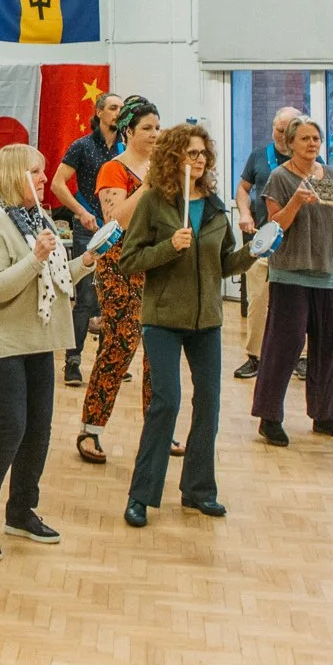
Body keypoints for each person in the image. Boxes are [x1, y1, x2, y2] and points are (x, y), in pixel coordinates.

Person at [0, 145, 94, 560]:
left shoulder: (38, 216)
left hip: (35, 335)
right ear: (13, 174)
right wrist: (35, 259)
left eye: (42, 171)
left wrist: (87, 261)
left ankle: (20, 511)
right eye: (35, 171)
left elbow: (56, 277)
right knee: (8, 428)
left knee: (38, 428)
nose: (43, 179)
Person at [116, 125, 255, 526]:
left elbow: (223, 264)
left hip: (207, 321)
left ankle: (199, 490)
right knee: (167, 402)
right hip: (162, 319)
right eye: (191, 153)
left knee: (209, 404)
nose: (199, 160)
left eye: (203, 154)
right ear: (173, 158)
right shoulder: (154, 203)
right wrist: (168, 247)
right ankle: (141, 495)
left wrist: (254, 252)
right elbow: (129, 261)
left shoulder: (213, 206)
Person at [252, 118, 333, 445]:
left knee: (330, 346)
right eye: (305, 139)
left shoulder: (332, 176)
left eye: (316, 139)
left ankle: (326, 415)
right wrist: (296, 200)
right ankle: (269, 417)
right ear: (291, 143)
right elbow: (275, 226)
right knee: (285, 344)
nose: (312, 144)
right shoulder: (279, 178)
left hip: (328, 274)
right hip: (290, 273)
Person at [76, 97, 161, 465]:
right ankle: (90, 429)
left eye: (158, 128)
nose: (155, 134)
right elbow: (116, 220)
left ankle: (158, 430)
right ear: (128, 131)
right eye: (147, 128)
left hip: (159, 264)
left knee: (159, 351)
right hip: (121, 265)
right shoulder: (114, 169)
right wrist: (149, 184)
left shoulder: (164, 167)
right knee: (119, 346)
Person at [52, 92, 122, 388]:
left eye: (121, 108)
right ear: (99, 112)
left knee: (114, 296)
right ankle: (73, 360)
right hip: (88, 228)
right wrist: (81, 212)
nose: (118, 113)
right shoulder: (82, 146)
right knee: (86, 298)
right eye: (113, 107)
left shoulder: (126, 148)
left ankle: (109, 361)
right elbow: (57, 184)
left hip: (119, 229)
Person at [231, 106, 301, 381]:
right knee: (258, 301)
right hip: (262, 240)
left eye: (286, 131)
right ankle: (255, 356)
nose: (281, 136)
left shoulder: (307, 159)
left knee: (297, 303)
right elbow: (243, 189)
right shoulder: (259, 156)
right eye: (277, 130)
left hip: (295, 244)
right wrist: (244, 213)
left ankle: (300, 357)